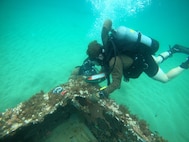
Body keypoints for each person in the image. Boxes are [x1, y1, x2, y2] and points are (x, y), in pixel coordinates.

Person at [86, 19, 189, 98]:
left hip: (143, 62)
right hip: (140, 55)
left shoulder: (113, 61)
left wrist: (102, 94)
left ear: (99, 56)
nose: (95, 63)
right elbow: (104, 73)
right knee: (157, 60)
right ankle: (173, 50)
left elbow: (116, 83)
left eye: (94, 60)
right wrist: (89, 79)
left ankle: (186, 64)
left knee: (165, 78)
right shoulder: (107, 46)